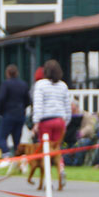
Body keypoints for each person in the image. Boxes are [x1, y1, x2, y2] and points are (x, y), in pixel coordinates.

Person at [32, 59, 71, 188]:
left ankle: (48, 179)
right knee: (57, 150)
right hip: (60, 121)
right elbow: (67, 106)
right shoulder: (63, 86)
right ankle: (61, 169)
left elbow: (38, 104)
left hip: (46, 121)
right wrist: (66, 121)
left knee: (46, 151)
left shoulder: (40, 85)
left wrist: (36, 122)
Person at [0, 64, 30, 164]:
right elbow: (28, 100)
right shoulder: (23, 84)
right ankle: (18, 159)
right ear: (17, 73)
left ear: (7, 74)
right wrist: (22, 108)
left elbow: (1, 98)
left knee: (2, 137)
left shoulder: (6, 84)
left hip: (8, 114)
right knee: (17, 138)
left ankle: (6, 155)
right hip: (20, 115)